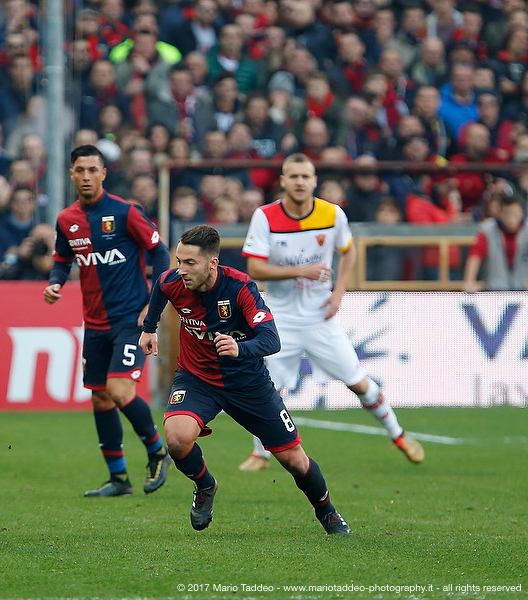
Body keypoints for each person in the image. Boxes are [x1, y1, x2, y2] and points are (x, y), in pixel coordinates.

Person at [138, 225, 350, 534]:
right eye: (179, 261)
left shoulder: (240, 288)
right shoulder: (173, 281)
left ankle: (327, 511)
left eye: (189, 263)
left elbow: (271, 340)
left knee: (294, 460)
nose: (180, 270)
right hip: (197, 379)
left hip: (248, 384)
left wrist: (241, 348)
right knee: (177, 438)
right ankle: (205, 485)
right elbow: (159, 288)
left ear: (212, 263)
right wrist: (149, 327)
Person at [238, 153, 425, 472]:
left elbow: (348, 250)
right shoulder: (265, 217)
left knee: (357, 381)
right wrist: (302, 272)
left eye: (305, 176)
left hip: (320, 317)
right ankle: (261, 453)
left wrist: (339, 292)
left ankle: (398, 434)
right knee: (267, 387)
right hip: (280, 318)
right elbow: (254, 266)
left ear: (314, 181)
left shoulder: (332, 214)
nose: (299, 182)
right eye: (293, 176)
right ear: (283, 181)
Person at [44, 144, 172, 497]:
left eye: (92, 170)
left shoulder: (126, 212)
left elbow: (160, 252)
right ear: (71, 174)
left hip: (131, 320)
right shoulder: (66, 220)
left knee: (119, 390)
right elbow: (61, 259)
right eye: (80, 170)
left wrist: (154, 305)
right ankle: (119, 479)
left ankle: (158, 452)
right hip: (95, 324)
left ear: (104, 173)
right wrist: (55, 282)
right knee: (100, 398)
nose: (86, 176)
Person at [463, 195, 528, 292]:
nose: (511, 218)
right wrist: (469, 281)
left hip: (524, 291)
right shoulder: (487, 230)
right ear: (500, 213)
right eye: (507, 214)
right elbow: (475, 255)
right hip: (495, 292)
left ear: (521, 213)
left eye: (515, 214)